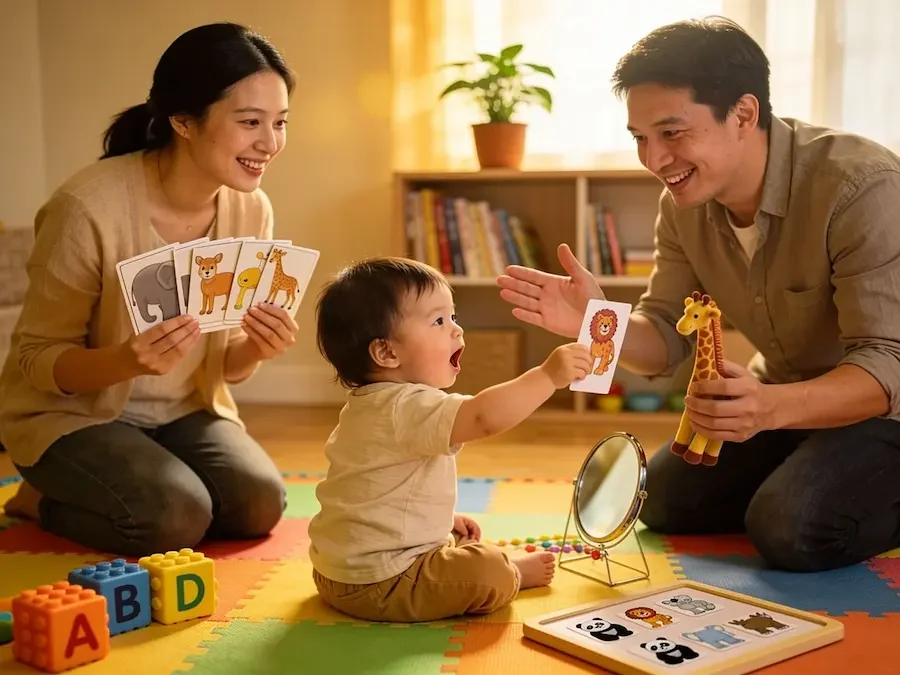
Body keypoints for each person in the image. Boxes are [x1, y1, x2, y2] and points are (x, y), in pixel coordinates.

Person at [497, 16, 900, 573]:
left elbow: (887, 363)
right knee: (661, 500)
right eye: (640, 138)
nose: (654, 160)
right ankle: (812, 472)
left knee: (790, 530)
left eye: (672, 133)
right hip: (783, 401)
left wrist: (771, 409)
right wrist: (594, 321)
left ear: (743, 114)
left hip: (883, 411)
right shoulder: (682, 208)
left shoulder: (859, 186)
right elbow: (665, 334)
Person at [0, 22, 298, 557]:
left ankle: (143, 478)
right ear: (184, 121)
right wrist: (125, 359)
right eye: (251, 122)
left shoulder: (251, 209)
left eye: (279, 122)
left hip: (183, 412)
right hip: (71, 416)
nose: (269, 143)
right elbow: (36, 360)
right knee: (173, 517)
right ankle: (38, 499)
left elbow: (221, 365)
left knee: (258, 505)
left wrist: (256, 347)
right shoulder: (87, 208)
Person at [308, 257, 592, 622]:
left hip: (336, 573)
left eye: (453, 317)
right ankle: (515, 574)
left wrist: (438, 518)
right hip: (386, 581)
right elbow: (483, 416)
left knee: (462, 549)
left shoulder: (366, 406)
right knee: (488, 569)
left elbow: (372, 491)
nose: (457, 330)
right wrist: (547, 376)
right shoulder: (408, 405)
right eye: (439, 321)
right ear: (387, 352)